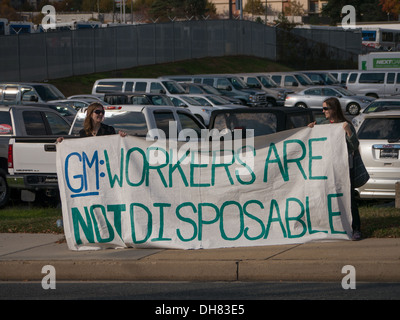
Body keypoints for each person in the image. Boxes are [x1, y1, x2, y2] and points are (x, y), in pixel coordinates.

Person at [308, 97, 362, 241]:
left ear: (334, 109)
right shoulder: (322, 125)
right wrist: (311, 130)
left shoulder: (345, 125)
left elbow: (354, 146)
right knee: (328, 196)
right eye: (323, 108)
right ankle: (334, 226)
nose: (323, 111)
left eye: (326, 108)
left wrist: (348, 132)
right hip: (327, 168)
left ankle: (355, 228)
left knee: (348, 198)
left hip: (344, 168)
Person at [57, 102, 127, 142]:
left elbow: (115, 146)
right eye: (97, 112)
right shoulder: (83, 132)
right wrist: (63, 142)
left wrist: (121, 137)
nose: (101, 114)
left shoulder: (109, 130)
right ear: (90, 114)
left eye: (102, 112)